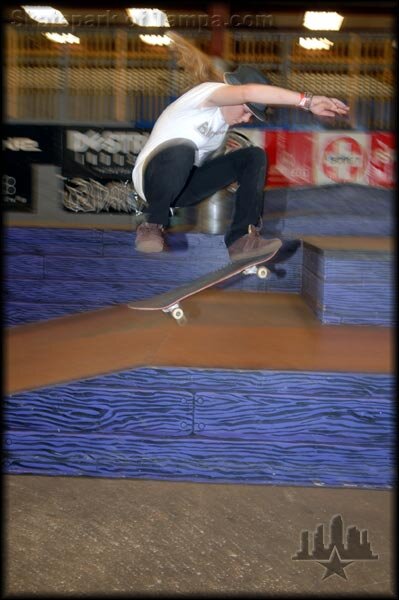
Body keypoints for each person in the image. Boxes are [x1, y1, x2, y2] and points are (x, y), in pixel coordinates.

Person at [132, 34, 349, 260]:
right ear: (231, 94)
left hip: (182, 189)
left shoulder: (220, 129)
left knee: (253, 156)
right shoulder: (206, 94)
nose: (246, 119)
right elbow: (248, 92)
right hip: (151, 179)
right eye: (246, 111)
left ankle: (242, 239)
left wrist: (242, 180)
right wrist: (307, 101)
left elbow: (209, 169)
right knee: (183, 148)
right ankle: (151, 225)